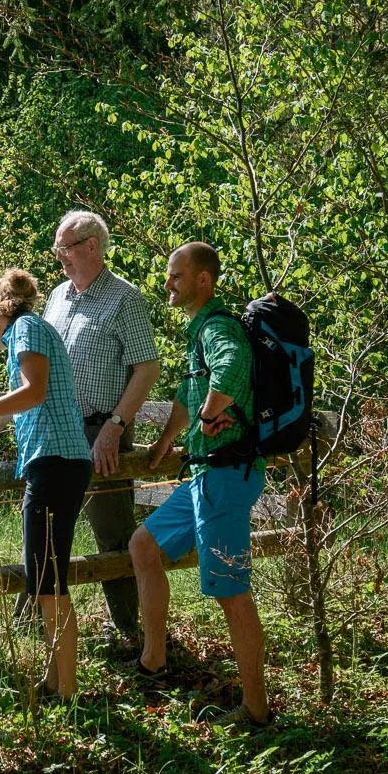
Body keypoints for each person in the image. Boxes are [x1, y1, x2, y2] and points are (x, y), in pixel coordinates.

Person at [128, 242, 272, 728]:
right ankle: (153, 660)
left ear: (203, 280)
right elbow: (188, 397)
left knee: (231, 592)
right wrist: (167, 440)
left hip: (226, 477)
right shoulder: (199, 331)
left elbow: (231, 367)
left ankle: (255, 710)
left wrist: (212, 413)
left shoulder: (218, 327)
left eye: (176, 275)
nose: (167, 283)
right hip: (203, 476)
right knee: (144, 545)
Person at [0, 269, 93, 702]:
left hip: (54, 463)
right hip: (57, 462)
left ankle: (66, 691)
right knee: (45, 577)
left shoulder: (26, 328)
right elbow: (14, 408)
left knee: (49, 581)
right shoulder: (28, 333)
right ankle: (55, 680)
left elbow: (33, 392)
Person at [42, 210, 161, 635]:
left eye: (64, 248)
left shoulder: (124, 299)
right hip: (56, 430)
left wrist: (114, 426)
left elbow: (147, 368)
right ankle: (34, 624)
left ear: (92, 246)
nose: (59, 256)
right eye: (57, 248)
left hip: (99, 431)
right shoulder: (57, 296)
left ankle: (128, 628)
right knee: (45, 526)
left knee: (112, 531)